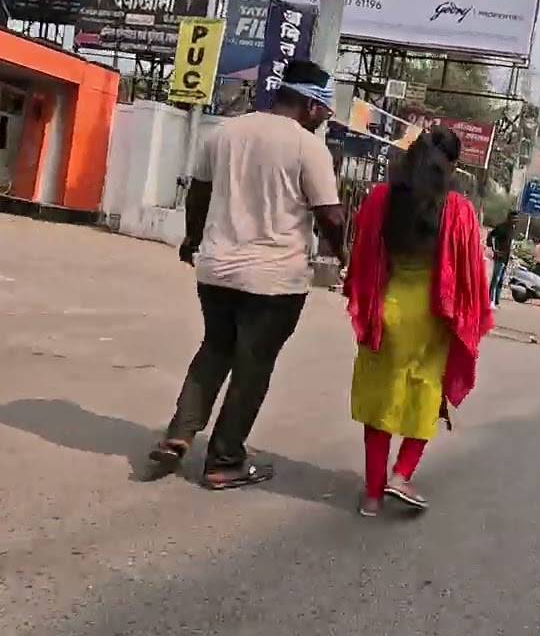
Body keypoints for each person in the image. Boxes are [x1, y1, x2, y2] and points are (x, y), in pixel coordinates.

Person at [148, 59, 346, 489]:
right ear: (312, 105)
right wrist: (341, 250)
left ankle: (178, 436)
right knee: (253, 366)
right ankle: (224, 459)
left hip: (216, 271)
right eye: (324, 113)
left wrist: (192, 239)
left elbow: (197, 194)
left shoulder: (224, 133)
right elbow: (330, 214)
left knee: (214, 350)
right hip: (274, 280)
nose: (323, 121)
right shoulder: (307, 147)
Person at [343, 126, 494, 516]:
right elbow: (471, 277)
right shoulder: (458, 210)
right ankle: (401, 474)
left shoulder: (381, 197)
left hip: (387, 311)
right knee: (425, 395)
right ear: (454, 167)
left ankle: (372, 497)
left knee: (381, 398)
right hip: (431, 317)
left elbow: (362, 255)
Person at [486, 210, 518, 308]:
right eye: (513, 219)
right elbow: (491, 235)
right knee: (496, 279)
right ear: (509, 218)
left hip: (506, 257)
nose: (515, 221)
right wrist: (494, 248)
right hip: (499, 256)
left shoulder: (512, 229)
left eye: (516, 219)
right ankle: (489, 300)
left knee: (501, 280)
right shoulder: (502, 227)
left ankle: (496, 301)